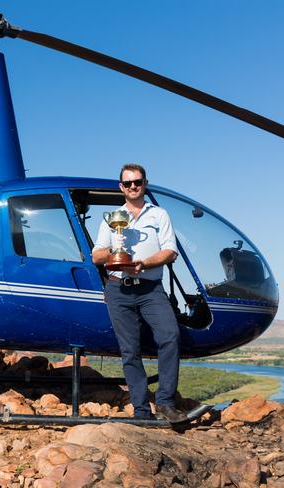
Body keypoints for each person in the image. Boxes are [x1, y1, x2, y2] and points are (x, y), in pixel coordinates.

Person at [91, 163, 187, 423]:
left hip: (150, 289)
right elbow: (97, 255)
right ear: (121, 187)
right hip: (119, 289)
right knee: (129, 351)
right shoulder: (112, 218)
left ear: (145, 184)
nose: (133, 187)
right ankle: (142, 411)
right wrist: (115, 254)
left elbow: (170, 251)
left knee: (170, 336)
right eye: (128, 183)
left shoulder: (159, 215)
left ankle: (166, 402)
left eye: (138, 182)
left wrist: (144, 264)